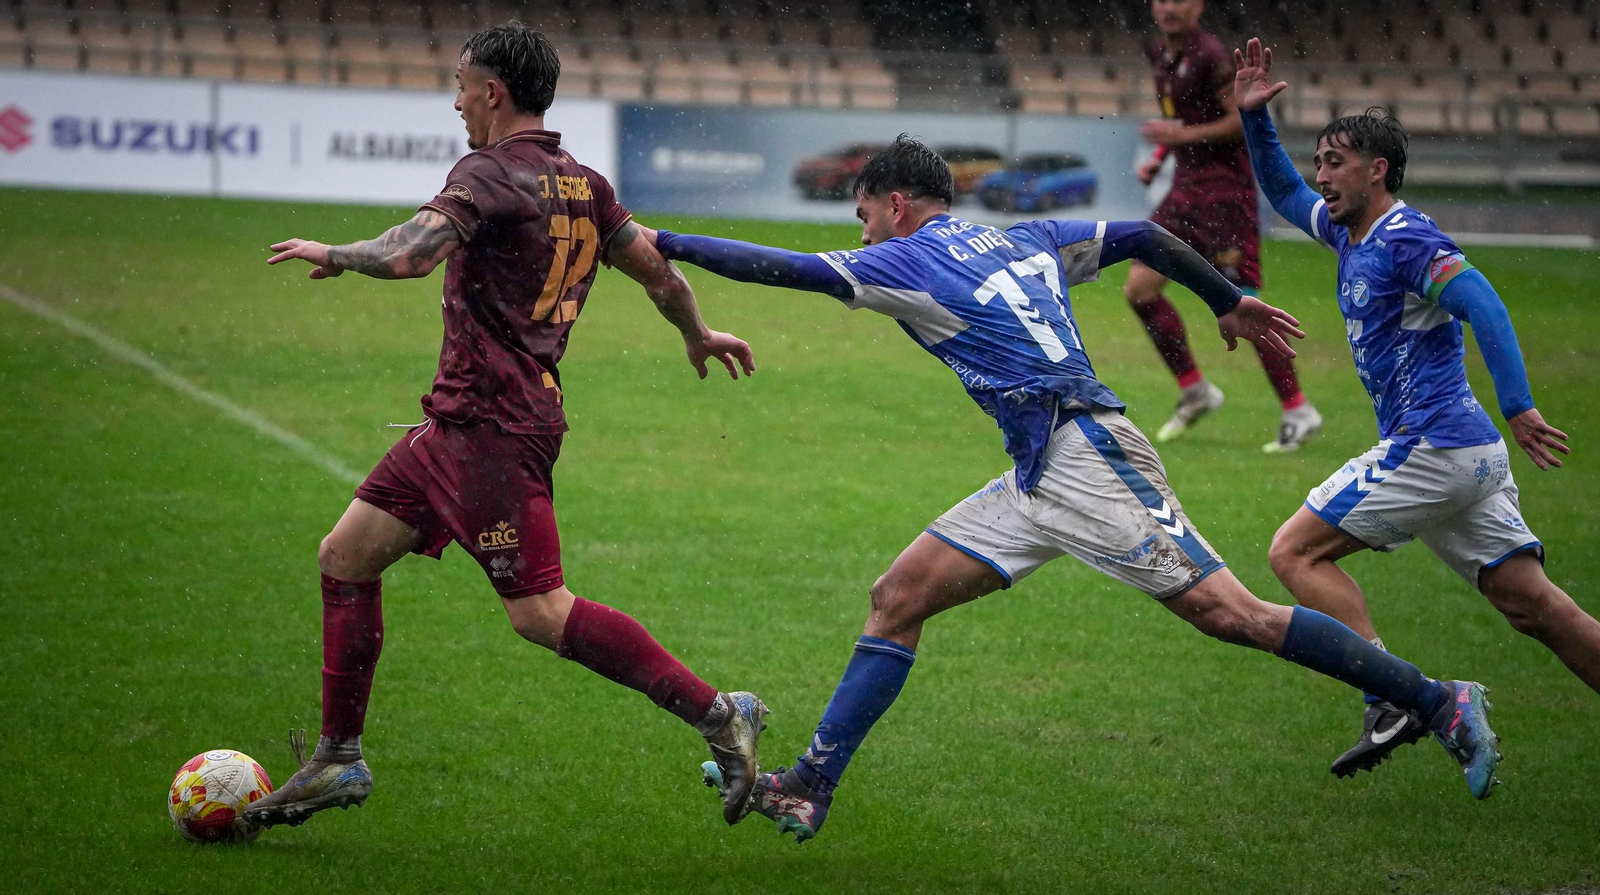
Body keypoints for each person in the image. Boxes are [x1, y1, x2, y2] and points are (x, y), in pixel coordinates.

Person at [655, 136, 1503, 842]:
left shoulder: (907, 259)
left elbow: (784, 268)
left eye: (865, 214)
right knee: (898, 595)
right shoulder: (1024, 236)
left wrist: (665, 243)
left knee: (1233, 614)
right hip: (1037, 467)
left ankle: (1436, 698)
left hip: (1089, 454)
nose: (864, 232)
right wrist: (1226, 298)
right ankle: (810, 781)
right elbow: (1136, 233)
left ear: (899, 204)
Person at [245, 22, 768, 830]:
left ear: (492, 91)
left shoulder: (488, 173)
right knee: (345, 556)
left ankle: (717, 712)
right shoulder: (583, 183)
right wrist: (696, 331)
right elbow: (657, 273)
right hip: (460, 420)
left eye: (461, 85)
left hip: (493, 425)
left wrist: (339, 251)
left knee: (541, 613)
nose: (456, 102)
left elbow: (414, 253)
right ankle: (339, 757)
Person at [1234, 37, 1600, 781]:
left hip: (1435, 446)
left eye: (1336, 162)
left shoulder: (1407, 239)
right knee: (1535, 608)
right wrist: (1253, 122)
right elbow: (1282, 193)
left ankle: (1393, 696)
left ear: (1378, 171)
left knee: (1292, 552)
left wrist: (1522, 404)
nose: (1321, 175)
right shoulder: (1348, 229)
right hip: (1461, 456)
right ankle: (1400, 697)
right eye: (1320, 161)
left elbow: (1483, 302)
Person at [1132, 0, 1321, 451]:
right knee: (1140, 288)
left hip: (1223, 197)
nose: (1169, 8)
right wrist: (1161, 159)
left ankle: (1298, 408)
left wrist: (1177, 139)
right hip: (1183, 192)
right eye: (1161, 0)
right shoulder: (1162, 53)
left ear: (1197, 5)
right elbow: (1188, 117)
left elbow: (1238, 121)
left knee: (1242, 306)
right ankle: (1195, 389)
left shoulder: (1211, 55)